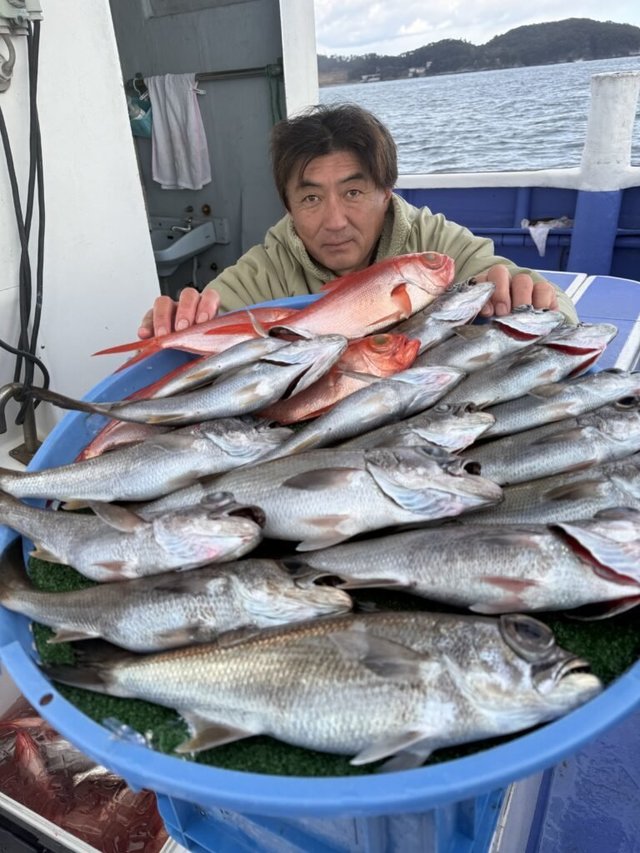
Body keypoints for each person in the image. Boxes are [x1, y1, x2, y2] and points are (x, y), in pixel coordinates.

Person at [138, 103, 578, 339]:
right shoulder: (265, 271)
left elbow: (559, 310)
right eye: (310, 197)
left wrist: (531, 295)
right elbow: (212, 319)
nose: (334, 221)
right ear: (287, 206)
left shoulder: (431, 245)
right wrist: (178, 326)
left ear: (386, 192)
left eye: (353, 192)